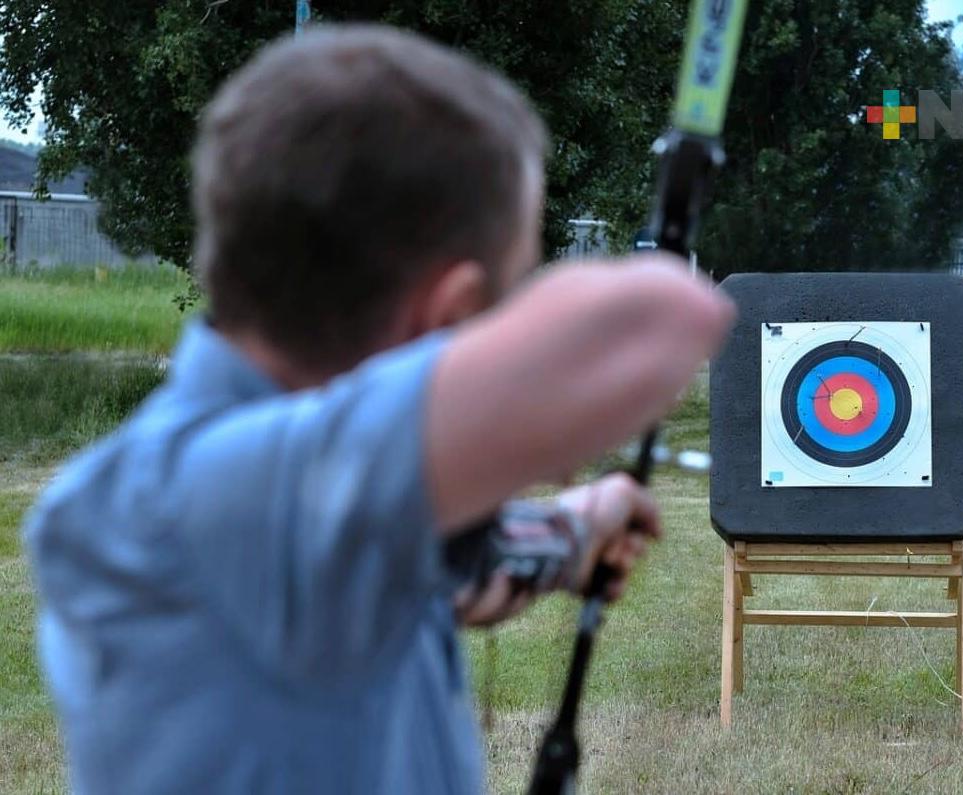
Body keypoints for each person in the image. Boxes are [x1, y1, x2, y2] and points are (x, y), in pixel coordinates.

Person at [23, 24, 735, 795]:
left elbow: (429, 561)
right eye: (504, 294)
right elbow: (665, 315)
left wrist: (569, 529)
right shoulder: (195, 496)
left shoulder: (304, 505)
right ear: (448, 312)